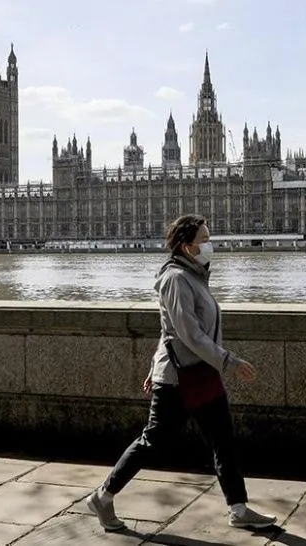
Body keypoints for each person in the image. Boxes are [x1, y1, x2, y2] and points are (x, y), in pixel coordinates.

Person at [87, 214, 278, 531]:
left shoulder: (194, 276)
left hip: (202, 373)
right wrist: (228, 360)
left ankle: (239, 508)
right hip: (179, 379)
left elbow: (169, 331)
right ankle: (103, 496)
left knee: (223, 440)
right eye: (204, 239)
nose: (209, 245)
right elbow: (188, 334)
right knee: (153, 442)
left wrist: (155, 363)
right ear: (187, 247)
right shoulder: (176, 279)